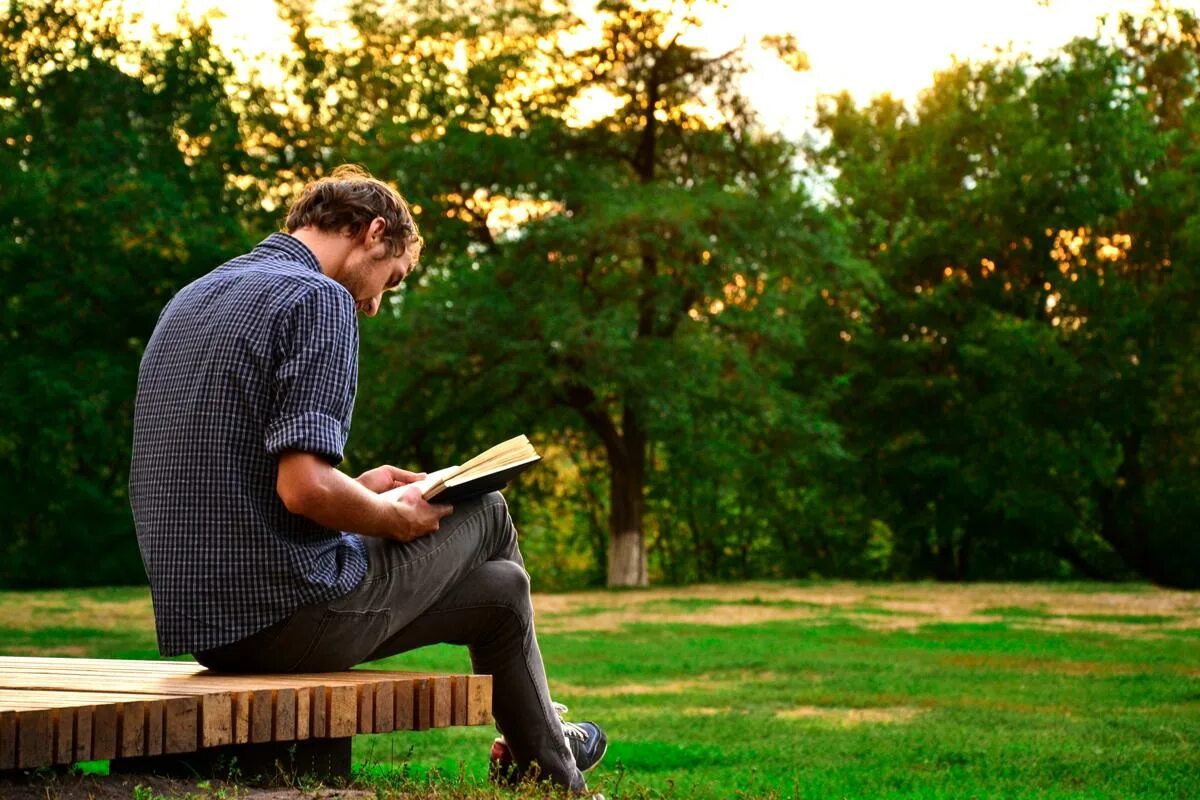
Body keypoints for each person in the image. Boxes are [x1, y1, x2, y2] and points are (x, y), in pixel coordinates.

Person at [129, 164, 606, 794]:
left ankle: (547, 770)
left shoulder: (194, 297)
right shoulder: (317, 299)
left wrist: (362, 487)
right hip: (284, 613)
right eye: (392, 279)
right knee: (487, 508)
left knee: (500, 592)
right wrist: (393, 515)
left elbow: (245, 479)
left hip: (206, 626)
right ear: (372, 232)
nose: (377, 303)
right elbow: (302, 489)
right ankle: (543, 734)